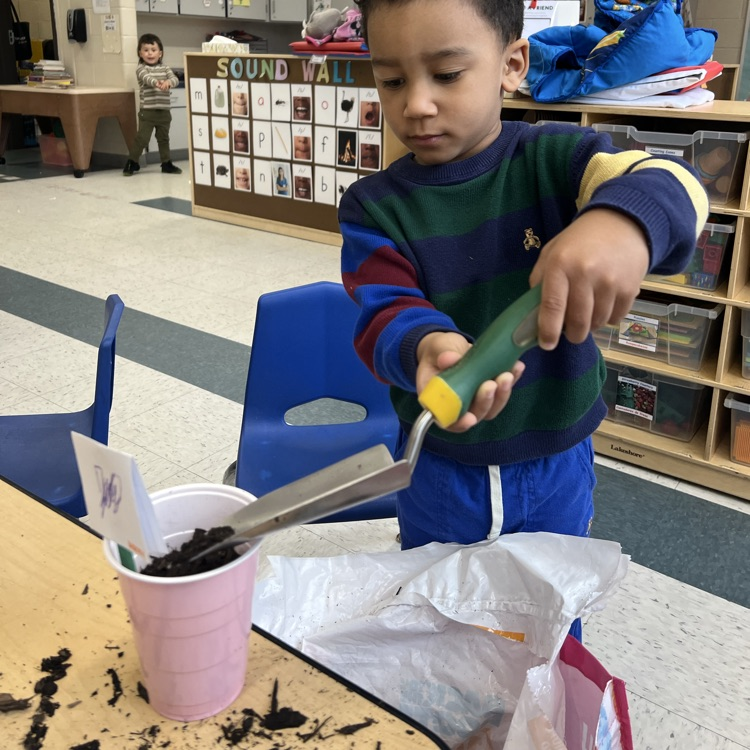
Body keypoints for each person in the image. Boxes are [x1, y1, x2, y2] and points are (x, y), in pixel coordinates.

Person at [339, 0, 708, 638]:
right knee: (438, 614)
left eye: (447, 74)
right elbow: (381, 311)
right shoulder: (374, 208)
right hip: (440, 465)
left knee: (550, 618)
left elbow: (675, 179)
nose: (417, 104)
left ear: (512, 65)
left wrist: (620, 223)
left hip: (556, 457)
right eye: (392, 80)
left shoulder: (558, 159)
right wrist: (424, 343)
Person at [123, 33, 182, 176]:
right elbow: (147, 78)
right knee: (142, 138)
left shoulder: (166, 68)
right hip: (147, 112)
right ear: (140, 53)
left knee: (163, 138)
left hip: (163, 111)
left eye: (153, 50)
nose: (150, 53)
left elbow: (174, 79)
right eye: (146, 50)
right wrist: (157, 83)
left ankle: (166, 163)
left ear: (160, 53)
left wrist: (168, 82)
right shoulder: (141, 68)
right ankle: (132, 162)